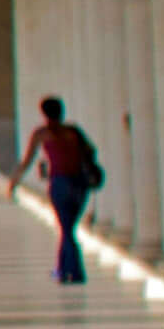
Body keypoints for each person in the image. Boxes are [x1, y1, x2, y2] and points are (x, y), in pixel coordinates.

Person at [21, 96, 103, 284]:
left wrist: (14, 181)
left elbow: (27, 161)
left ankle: (74, 272)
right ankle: (63, 269)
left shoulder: (42, 134)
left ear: (44, 114)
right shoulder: (74, 132)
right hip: (79, 183)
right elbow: (91, 151)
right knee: (67, 228)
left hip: (59, 183)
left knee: (66, 229)